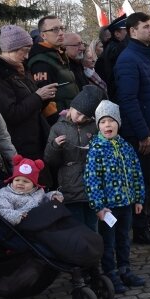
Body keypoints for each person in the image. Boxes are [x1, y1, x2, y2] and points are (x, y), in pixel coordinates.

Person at [113, 12, 150, 246]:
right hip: (141, 133)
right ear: (132, 31)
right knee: (141, 181)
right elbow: (128, 99)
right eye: (146, 26)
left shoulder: (147, 56)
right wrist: (143, 133)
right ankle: (139, 228)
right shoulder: (128, 58)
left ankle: (147, 222)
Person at [83, 100, 145, 294]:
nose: (107, 125)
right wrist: (99, 207)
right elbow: (92, 180)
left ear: (118, 123)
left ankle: (124, 269)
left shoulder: (125, 146)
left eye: (111, 121)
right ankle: (110, 273)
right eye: (102, 122)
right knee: (108, 242)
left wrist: (139, 198)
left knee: (124, 238)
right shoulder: (96, 150)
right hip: (108, 208)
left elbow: (136, 172)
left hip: (125, 203)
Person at [0, 25, 55, 165]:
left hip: (33, 139)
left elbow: (30, 102)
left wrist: (45, 96)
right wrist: (38, 96)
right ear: (10, 49)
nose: (26, 56)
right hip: (19, 144)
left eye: (28, 51)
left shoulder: (19, 69)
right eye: (24, 51)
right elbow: (9, 114)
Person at [44, 85, 104, 232]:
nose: (80, 119)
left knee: (92, 227)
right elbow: (50, 160)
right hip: (70, 187)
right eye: (78, 113)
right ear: (71, 107)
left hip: (92, 187)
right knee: (76, 227)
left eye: (86, 117)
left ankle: (93, 254)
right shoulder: (57, 128)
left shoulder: (94, 128)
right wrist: (55, 146)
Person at [28, 15, 80, 124]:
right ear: (43, 35)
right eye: (55, 30)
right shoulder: (41, 61)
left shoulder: (58, 54)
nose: (61, 33)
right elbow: (46, 101)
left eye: (61, 28)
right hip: (62, 122)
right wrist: (58, 124)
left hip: (73, 115)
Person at [0, 155, 63, 225]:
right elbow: (1, 209)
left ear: (33, 184)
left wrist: (52, 196)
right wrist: (17, 215)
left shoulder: (38, 191)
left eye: (25, 181)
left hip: (43, 219)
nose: (20, 183)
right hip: (24, 223)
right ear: (12, 180)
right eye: (17, 180)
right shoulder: (5, 193)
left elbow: (44, 199)